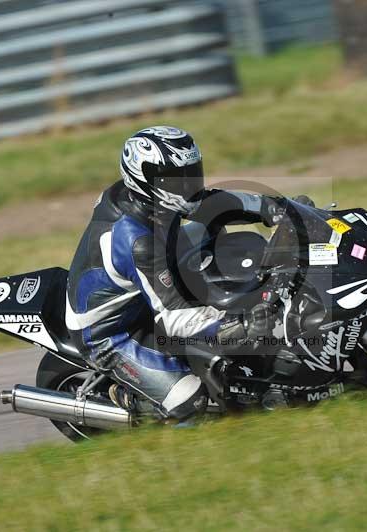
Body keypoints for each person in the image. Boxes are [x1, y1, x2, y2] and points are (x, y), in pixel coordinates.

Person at [66, 126, 282, 421]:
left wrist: (277, 208)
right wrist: (239, 325)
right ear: (146, 179)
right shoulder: (136, 241)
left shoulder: (146, 197)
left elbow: (214, 204)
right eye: (178, 178)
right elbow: (174, 318)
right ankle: (130, 397)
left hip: (144, 281)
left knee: (222, 237)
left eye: (192, 173)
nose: (189, 184)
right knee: (190, 401)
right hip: (110, 332)